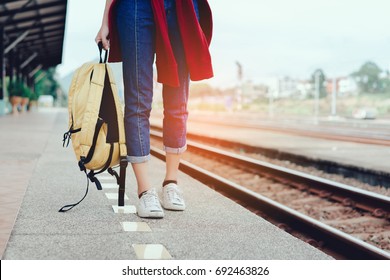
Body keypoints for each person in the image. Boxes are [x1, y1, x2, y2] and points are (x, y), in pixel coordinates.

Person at [95, 0, 213, 218]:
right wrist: (105, 20)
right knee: (138, 100)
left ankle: (171, 182)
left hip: (181, 6)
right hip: (135, 5)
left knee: (178, 101)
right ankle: (144, 190)